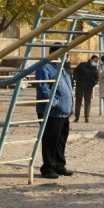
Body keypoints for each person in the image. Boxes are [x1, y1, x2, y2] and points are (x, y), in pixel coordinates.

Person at [35, 45, 74, 179]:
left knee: (61, 140)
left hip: (64, 111)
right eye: (63, 54)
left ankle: (59, 166)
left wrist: (71, 107)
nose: (66, 57)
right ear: (55, 54)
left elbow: (68, 88)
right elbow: (42, 88)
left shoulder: (61, 68)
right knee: (50, 140)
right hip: (51, 111)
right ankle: (48, 168)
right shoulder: (44, 68)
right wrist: (56, 103)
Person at [73, 55, 99, 123]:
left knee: (87, 102)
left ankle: (87, 118)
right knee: (78, 101)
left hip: (88, 87)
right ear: (91, 59)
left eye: (96, 61)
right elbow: (76, 71)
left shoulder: (95, 68)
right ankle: (77, 117)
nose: (95, 62)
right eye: (94, 60)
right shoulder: (82, 65)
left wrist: (92, 85)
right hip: (80, 85)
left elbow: (97, 78)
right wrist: (77, 80)